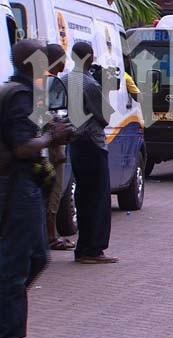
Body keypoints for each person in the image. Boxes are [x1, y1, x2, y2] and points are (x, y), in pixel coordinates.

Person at [0, 39, 75, 338]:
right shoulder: (19, 95)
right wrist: (52, 136)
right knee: (17, 264)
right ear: (31, 62)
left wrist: (50, 130)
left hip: (25, 185)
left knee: (35, 258)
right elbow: (21, 147)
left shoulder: (24, 92)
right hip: (18, 186)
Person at [62, 42, 118, 264]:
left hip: (74, 143)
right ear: (89, 58)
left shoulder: (64, 80)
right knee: (97, 198)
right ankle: (92, 249)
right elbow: (104, 116)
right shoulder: (89, 84)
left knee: (82, 196)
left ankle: (83, 247)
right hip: (92, 144)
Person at [44, 43, 75, 251]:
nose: (65, 63)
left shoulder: (35, 82)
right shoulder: (50, 83)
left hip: (43, 150)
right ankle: (50, 237)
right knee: (54, 194)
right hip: (51, 151)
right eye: (62, 58)